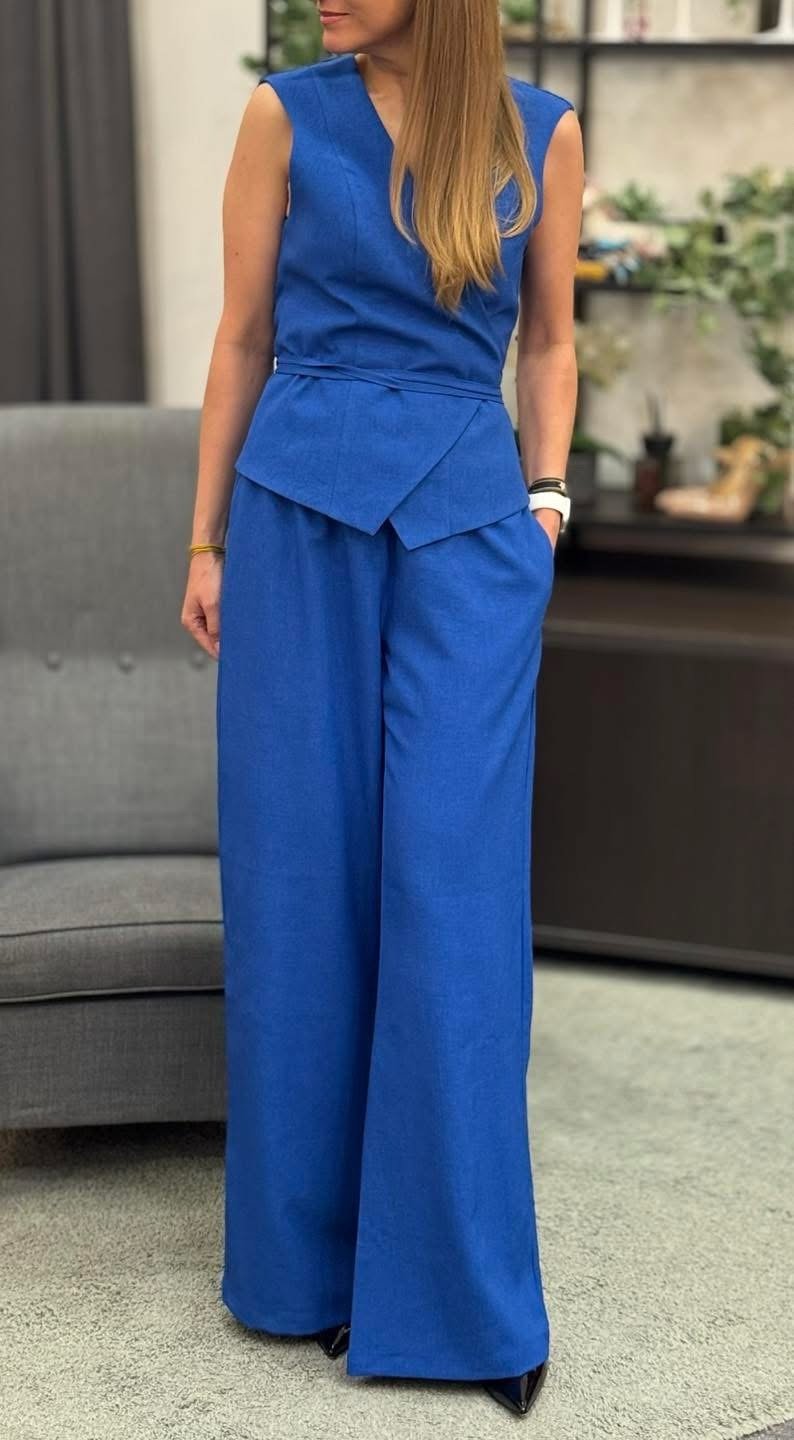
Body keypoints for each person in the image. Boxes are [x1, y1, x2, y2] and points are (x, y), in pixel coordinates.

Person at [181, 0, 583, 1419]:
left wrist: (546, 502)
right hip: (296, 523)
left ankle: (460, 1297)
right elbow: (240, 337)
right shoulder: (283, 113)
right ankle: (306, 1271)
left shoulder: (539, 131)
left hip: (469, 532)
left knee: (453, 894)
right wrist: (206, 540)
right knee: (299, 886)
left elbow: (549, 341)